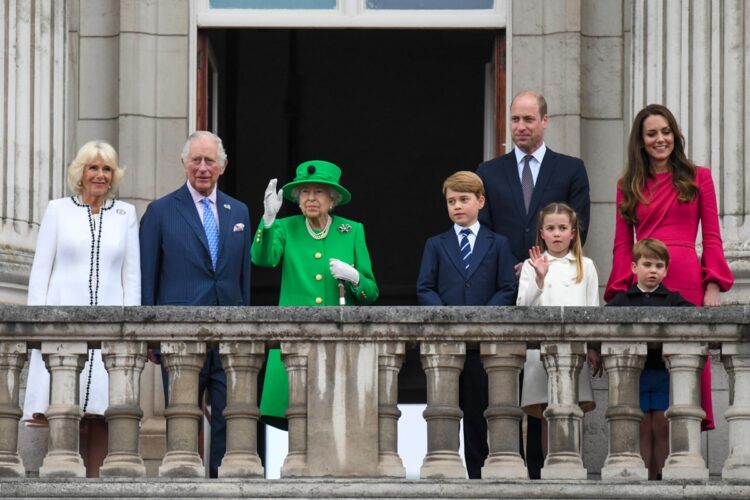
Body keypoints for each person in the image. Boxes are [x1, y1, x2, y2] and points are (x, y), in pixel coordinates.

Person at [476, 90, 591, 478]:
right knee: (501, 382)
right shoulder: (489, 172)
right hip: (504, 288)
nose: (520, 127)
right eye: (515, 120)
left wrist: (545, 264)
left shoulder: (570, 168)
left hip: (555, 287)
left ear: (545, 121)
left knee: (548, 384)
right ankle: (498, 469)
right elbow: (485, 230)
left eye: (528, 120)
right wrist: (515, 268)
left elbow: (580, 226)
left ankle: (545, 470)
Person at [603, 104, 734, 430]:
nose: (660, 139)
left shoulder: (698, 176)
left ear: (675, 134)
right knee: (647, 370)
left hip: (687, 278)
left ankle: (686, 451)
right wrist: (620, 291)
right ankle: (650, 464)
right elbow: (622, 244)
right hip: (644, 281)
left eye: (666, 132)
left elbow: (713, 234)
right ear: (641, 141)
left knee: (688, 363)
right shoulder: (627, 184)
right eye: (652, 134)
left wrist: (713, 283)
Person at [24, 140, 140, 477]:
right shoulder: (58, 210)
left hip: (109, 328)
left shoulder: (125, 214)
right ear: (81, 172)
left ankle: (97, 488)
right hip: (62, 325)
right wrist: (36, 325)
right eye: (94, 168)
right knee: (63, 409)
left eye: (106, 169)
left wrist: (130, 330)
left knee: (103, 412)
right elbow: (40, 272)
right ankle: (62, 485)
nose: (100, 175)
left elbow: (131, 276)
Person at [139, 130, 251, 478]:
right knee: (182, 416)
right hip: (180, 335)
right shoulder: (159, 211)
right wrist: (151, 335)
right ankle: (182, 484)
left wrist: (244, 328)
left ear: (223, 166)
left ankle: (221, 485)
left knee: (230, 417)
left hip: (230, 334)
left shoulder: (240, 211)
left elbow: (242, 277)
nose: (203, 168)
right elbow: (148, 277)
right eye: (196, 160)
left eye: (210, 161)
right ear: (184, 163)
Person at [251, 160, 378, 426]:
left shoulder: (352, 230)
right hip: (295, 338)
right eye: (305, 192)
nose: (310, 198)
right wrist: (268, 220)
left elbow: (371, 292)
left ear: (333, 198)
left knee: (338, 420)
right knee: (297, 418)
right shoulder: (286, 227)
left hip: (338, 340)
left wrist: (354, 277)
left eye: (318, 191)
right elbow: (263, 259)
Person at [416, 171, 516, 479]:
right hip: (447, 344)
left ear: (480, 201)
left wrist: (483, 317)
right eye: (451, 201)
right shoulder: (436, 244)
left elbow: (507, 287)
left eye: (464, 199)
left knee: (478, 411)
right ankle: (447, 475)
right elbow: (425, 286)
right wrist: (446, 316)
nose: (457, 206)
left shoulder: (498, 243)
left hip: (483, 344)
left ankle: (477, 478)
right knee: (444, 410)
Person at [517, 202, 601, 459]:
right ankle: (549, 468)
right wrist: (539, 280)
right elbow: (522, 308)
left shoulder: (586, 265)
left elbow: (593, 310)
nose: (556, 234)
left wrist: (594, 348)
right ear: (541, 233)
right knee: (546, 413)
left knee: (572, 411)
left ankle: (573, 465)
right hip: (540, 350)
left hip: (576, 350)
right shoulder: (530, 265)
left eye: (562, 228)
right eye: (550, 228)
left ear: (573, 232)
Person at [606, 238, 693, 480]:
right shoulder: (624, 300)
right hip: (636, 375)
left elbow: (695, 318)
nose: (652, 270)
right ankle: (643, 477)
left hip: (663, 373)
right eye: (647, 264)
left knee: (662, 425)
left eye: (658, 265)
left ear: (666, 270)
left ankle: (661, 477)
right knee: (641, 425)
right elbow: (600, 323)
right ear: (634, 268)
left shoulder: (673, 300)